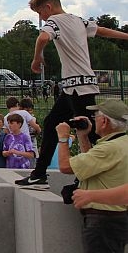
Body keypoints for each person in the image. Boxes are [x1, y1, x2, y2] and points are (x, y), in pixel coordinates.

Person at [17, 0, 128, 186]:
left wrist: (37, 58)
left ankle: (108, 171)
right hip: (74, 87)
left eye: (40, 13)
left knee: (91, 132)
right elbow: (101, 30)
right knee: (52, 123)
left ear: (48, 7)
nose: (41, 19)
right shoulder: (78, 20)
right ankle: (39, 173)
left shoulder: (54, 21)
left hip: (78, 87)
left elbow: (42, 38)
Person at [55, 100, 128, 253]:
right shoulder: (121, 143)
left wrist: (63, 138)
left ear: (105, 121)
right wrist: (83, 136)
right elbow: (92, 166)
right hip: (118, 217)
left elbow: (65, 166)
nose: (93, 120)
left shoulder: (108, 148)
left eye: (95, 117)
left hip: (103, 221)